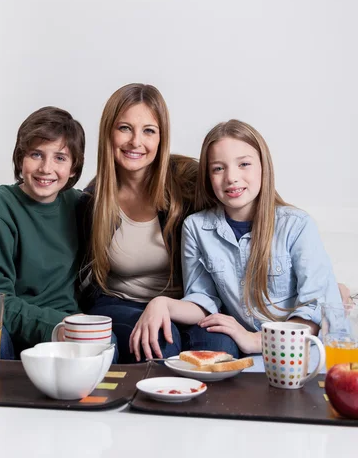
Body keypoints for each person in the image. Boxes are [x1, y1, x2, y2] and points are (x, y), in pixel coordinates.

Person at [130, 119, 342, 358]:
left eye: (244, 164)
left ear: (263, 166)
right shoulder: (196, 227)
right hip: (246, 352)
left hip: (299, 353)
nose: (231, 177)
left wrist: (256, 340)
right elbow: (203, 299)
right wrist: (162, 304)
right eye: (218, 168)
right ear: (208, 176)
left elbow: (314, 312)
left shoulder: (296, 225)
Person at [78, 83, 239, 362]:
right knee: (161, 344)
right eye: (124, 128)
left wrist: (325, 285)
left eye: (149, 131)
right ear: (108, 133)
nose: (135, 142)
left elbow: (251, 201)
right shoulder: (93, 199)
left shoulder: (187, 179)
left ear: (162, 138)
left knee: (220, 351)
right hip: (119, 303)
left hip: (189, 306)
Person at [0, 106, 85, 358]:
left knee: (108, 341)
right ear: (20, 159)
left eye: (60, 157)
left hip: (63, 326)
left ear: (73, 168)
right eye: (36, 154)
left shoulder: (81, 206)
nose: (46, 168)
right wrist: (57, 326)